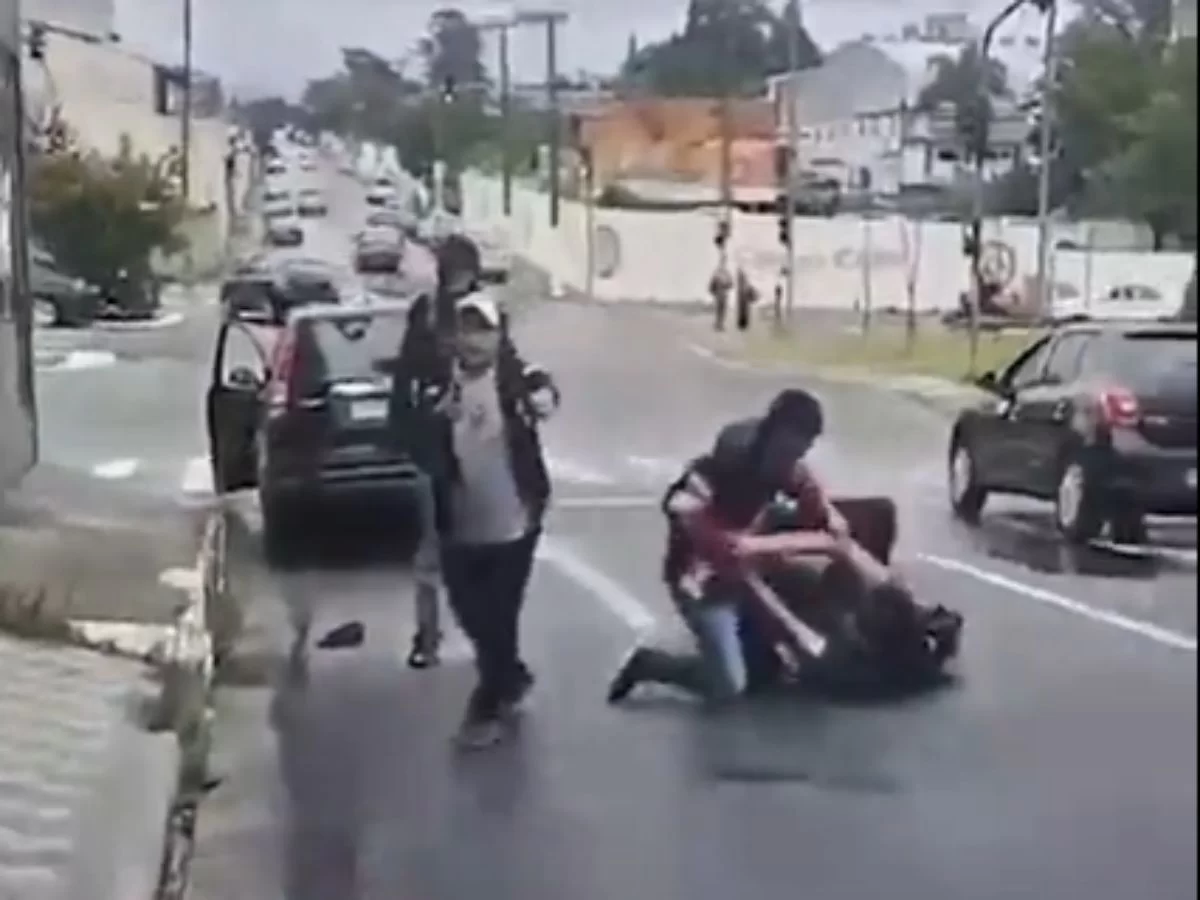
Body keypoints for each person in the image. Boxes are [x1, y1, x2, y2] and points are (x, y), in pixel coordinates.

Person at [606, 388, 860, 706]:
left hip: (746, 563)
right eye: (790, 449)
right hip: (701, 578)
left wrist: (826, 522)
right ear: (776, 435)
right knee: (728, 685)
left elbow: (831, 526)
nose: (793, 459)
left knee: (807, 586)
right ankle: (651, 664)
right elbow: (723, 551)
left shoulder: (789, 468)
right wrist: (794, 631)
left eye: (801, 451)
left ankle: (763, 651)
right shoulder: (722, 470)